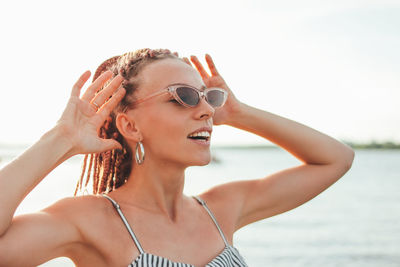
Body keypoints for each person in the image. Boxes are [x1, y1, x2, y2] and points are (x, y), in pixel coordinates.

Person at [0, 48, 354, 267]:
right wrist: (60, 140)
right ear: (129, 125)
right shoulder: (89, 219)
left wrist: (240, 112)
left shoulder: (221, 209)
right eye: (183, 96)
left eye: (208, 98)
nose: (206, 111)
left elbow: (336, 158)